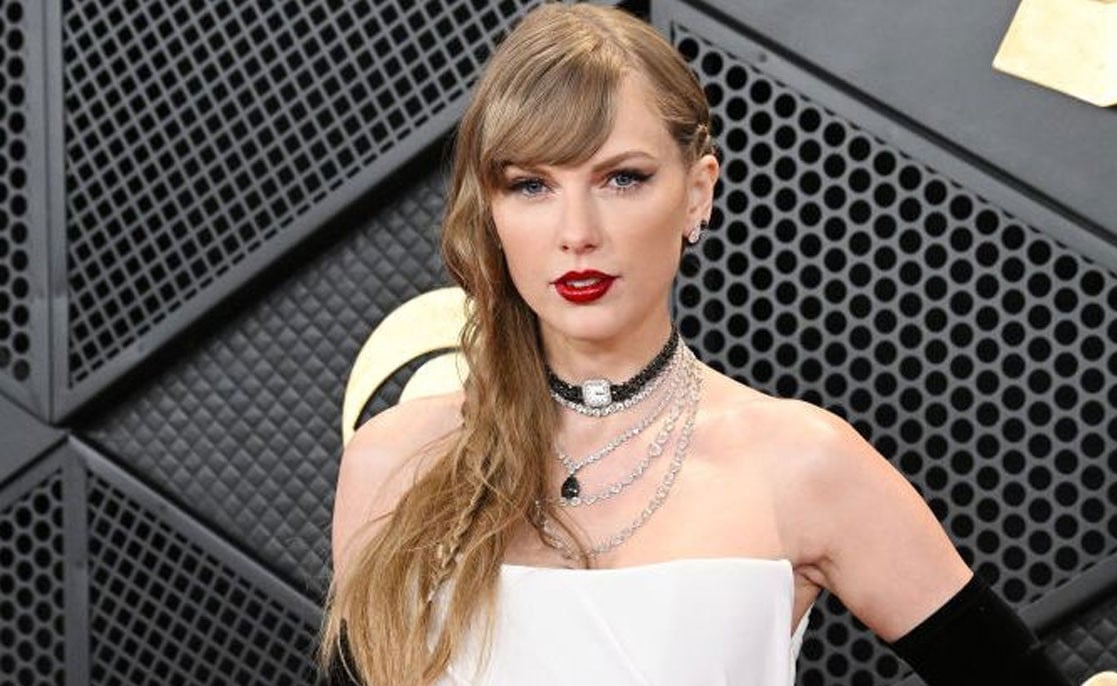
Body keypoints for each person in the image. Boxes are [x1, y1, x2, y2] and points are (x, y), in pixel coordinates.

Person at [321, 4, 1072, 685]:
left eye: (621, 179)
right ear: (490, 207)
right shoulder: (396, 463)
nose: (577, 232)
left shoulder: (802, 465)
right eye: (532, 185)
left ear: (698, 191)